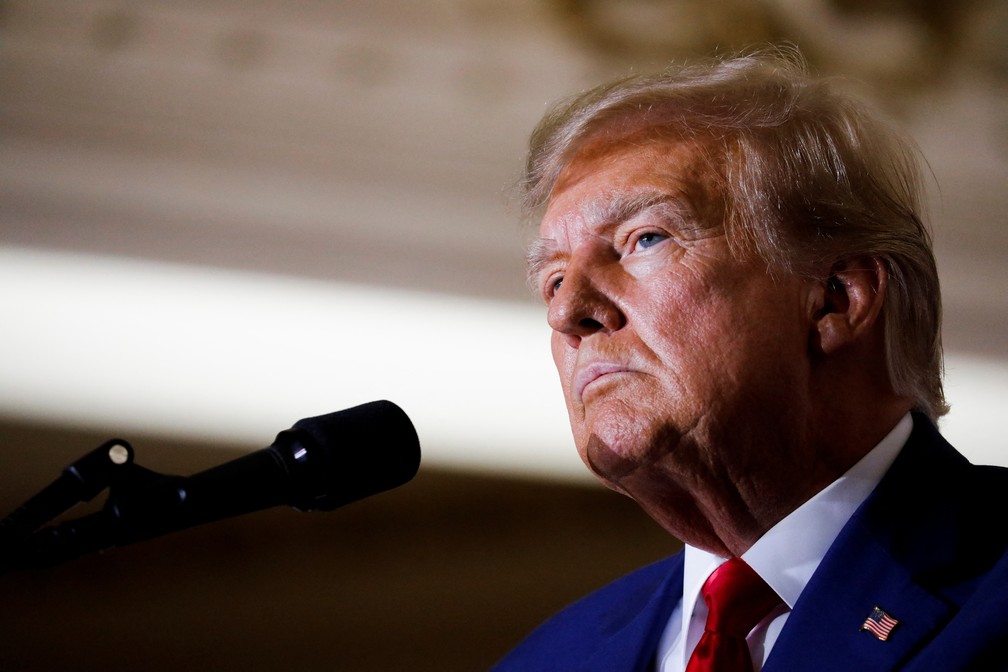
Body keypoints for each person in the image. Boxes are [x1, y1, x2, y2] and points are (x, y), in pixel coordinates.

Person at [492, 48, 1008, 672]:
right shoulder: (548, 659)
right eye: (551, 280)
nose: (567, 311)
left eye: (644, 239)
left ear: (835, 299)